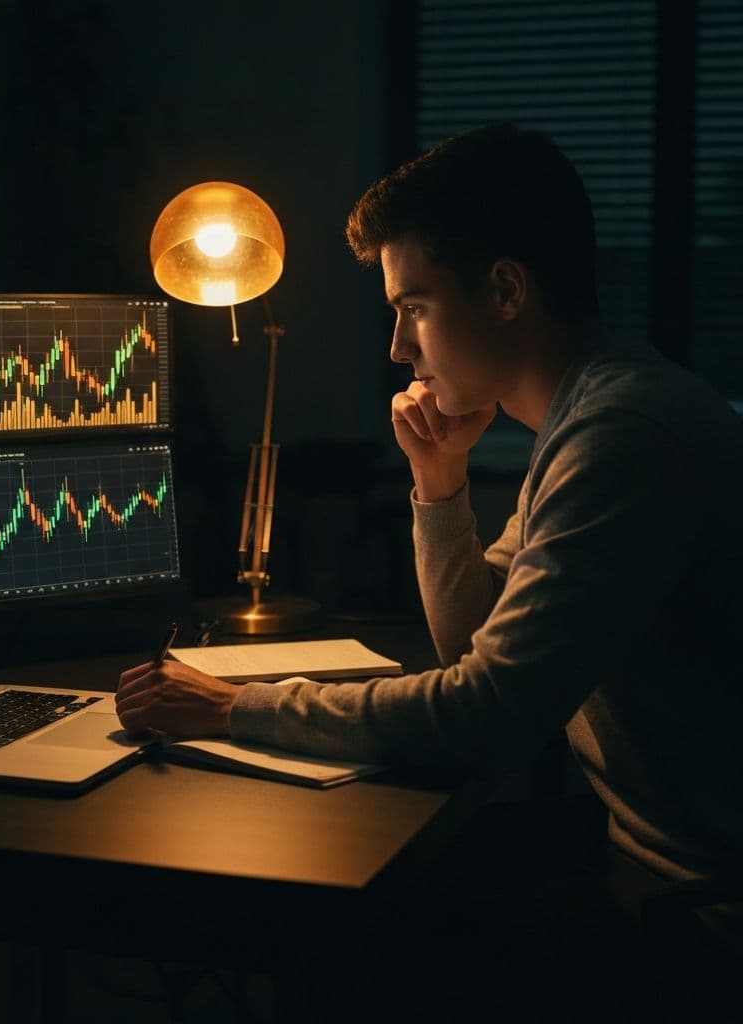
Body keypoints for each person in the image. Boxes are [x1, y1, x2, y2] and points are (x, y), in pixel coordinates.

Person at [117, 125, 743, 1000]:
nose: (397, 349)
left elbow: (487, 713)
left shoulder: (624, 435)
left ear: (506, 290)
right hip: (648, 870)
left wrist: (235, 707)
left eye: (412, 308)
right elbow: (473, 647)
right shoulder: (590, 415)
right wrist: (440, 482)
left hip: (699, 917)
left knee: (333, 934)